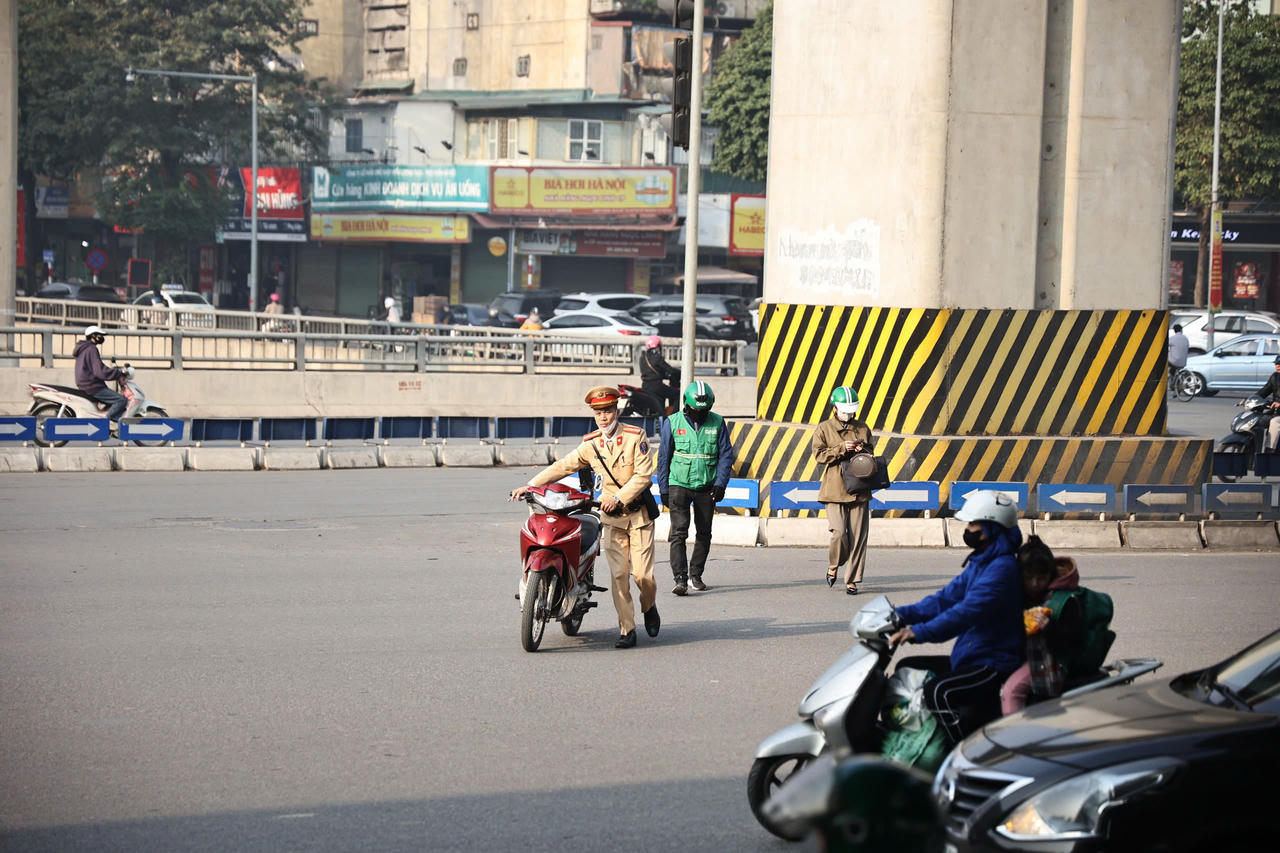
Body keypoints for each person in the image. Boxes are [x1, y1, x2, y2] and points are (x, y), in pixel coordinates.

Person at [510, 386, 660, 649]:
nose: (603, 417)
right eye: (598, 413)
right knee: (619, 576)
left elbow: (643, 477)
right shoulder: (591, 443)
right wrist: (531, 485)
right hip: (612, 519)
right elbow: (563, 466)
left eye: (608, 411)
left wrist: (618, 498)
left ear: (616, 410)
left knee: (642, 577)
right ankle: (628, 629)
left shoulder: (636, 437)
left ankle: (649, 606)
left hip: (638, 516)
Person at [888, 490, 1025, 745]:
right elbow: (946, 598)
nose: (969, 529)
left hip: (993, 662)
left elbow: (965, 612)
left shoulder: (1002, 569)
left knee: (937, 692)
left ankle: (962, 758)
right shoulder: (982, 561)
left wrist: (919, 632)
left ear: (990, 527)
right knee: (906, 669)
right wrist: (899, 615)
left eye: (974, 523)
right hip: (972, 654)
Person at [657, 381, 733, 595]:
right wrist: (663, 487)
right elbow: (664, 457)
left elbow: (726, 454)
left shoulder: (717, 423)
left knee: (704, 533)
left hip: (706, 486)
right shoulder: (672, 422)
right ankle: (680, 579)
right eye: (696, 410)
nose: (700, 414)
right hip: (679, 484)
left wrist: (720, 483)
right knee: (679, 533)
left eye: (704, 411)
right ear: (686, 405)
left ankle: (695, 574)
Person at [999, 536, 1084, 714]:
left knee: (1011, 691)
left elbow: (1073, 641)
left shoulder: (1063, 599)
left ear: (1050, 575)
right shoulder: (1017, 594)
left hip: (1048, 664)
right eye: (1028, 578)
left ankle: (1013, 738)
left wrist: (1049, 628)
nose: (1035, 584)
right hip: (1019, 657)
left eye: (1041, 578)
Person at [812, 386, 875, 595]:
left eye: (851, 411)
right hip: (835, 488)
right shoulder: (824, 428)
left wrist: (861, 450)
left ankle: (852, 580)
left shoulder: (863, 428)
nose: (848, 414)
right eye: (844, 410)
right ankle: (833, 566)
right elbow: (819, 456)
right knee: (838, 533)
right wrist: (842, 449)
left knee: (858, 537)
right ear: (834, 408)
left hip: (859, 487)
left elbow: (871, 455)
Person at [73, 326, 129, 423]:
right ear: (93, 336)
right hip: (92, 386)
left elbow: (97, 368)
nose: (102, 337)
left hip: (85, 384)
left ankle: (110, 419)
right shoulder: (91, 349)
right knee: (121, 400)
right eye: (100, 335)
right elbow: (100, 371)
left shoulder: (84, 348)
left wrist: (114, 372)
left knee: (111, 400)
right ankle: (104, 422)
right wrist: (119, 372)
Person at [1245, 355, 1280, 451]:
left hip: (1278, 415)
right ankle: (1252, 448)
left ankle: (1270, 452)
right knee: (1255, 421)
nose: (1278, 366)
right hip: (1274, 412)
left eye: (1279, 364)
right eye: (1276, 364)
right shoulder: (1275, 377)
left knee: (1274, 422)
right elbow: (1264, 391)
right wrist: (1249, 399)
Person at [640, 336, 680, 413]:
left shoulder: (642, 357)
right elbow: (669, 370)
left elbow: (652, 372)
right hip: (657, 387)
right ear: (658, 346)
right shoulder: (657, 357)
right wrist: (678, 372)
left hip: (645, 386)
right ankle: (672, 416)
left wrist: (665, 375)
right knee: (678, 394)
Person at [1167, 323, 1189, 392]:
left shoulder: (1172, 338)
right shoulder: (1185, 338)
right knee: (1174, 369)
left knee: (1166, 365)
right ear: (1181, 330)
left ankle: (1169, 378)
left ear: (1174, 330)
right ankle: (1175, 383)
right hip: (1183, 362)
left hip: (1174, 361)